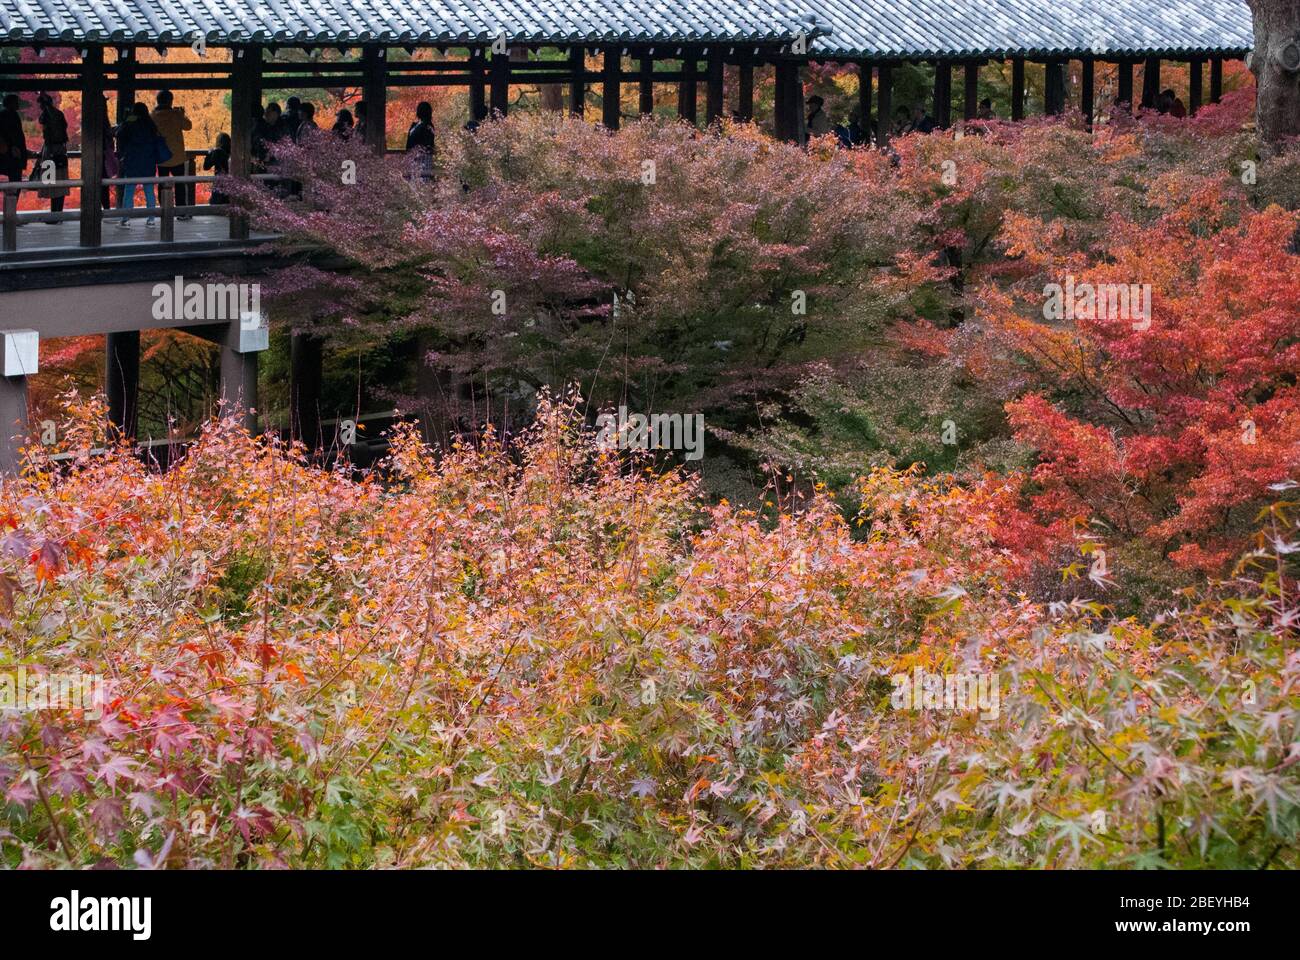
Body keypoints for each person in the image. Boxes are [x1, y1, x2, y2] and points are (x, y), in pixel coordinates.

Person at [115, 101, 165, 227]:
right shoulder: (150, 124)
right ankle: (151, 219)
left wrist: (127, 119)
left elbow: (119, 133)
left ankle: (125, 219)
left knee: (129, 190)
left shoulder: (130, 122)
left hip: (132, 161)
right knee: (149, 190)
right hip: (148, 161)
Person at [151, 90, 193, 216]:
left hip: (162, 156)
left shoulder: (152, 116)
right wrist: (182, 113)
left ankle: (164, 209)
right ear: (170, 101)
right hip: (177, 157)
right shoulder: (176, 115)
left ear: (158, 101)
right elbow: (188, 126)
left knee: (162, 185)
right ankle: (181, 212)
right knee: (180, 185)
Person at [34, 93, 69, 223]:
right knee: (61, 182)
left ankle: (54, 216)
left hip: (50, 151)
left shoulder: (45, 116)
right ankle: (58, 214)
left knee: (51, 183)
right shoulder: (59, 114)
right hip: (61, 150)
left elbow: (46, 131)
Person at [0, 94, 28, 209]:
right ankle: (11, 212)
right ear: (11, 103)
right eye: (16, 102)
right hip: (12, 155)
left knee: (15, 183)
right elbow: (15, 136)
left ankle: (9, 213)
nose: (18, 104)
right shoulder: (11, 115)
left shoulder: (4, 115)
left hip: (6, 153)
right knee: (16, 183)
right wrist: (16, 148)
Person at [405, 101, 436, 179]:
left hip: (422, 158)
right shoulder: (416, 125)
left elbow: (428, 144)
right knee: (415, 181)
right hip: (413, 157)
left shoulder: (427, 125)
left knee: (421, 181)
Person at [203, 132, 230, 205]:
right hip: (231, 181)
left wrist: (209, 154)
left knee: (216, 201)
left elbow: (206, 167)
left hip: (219, 181)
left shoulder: (218, 152)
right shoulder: (232, 151)